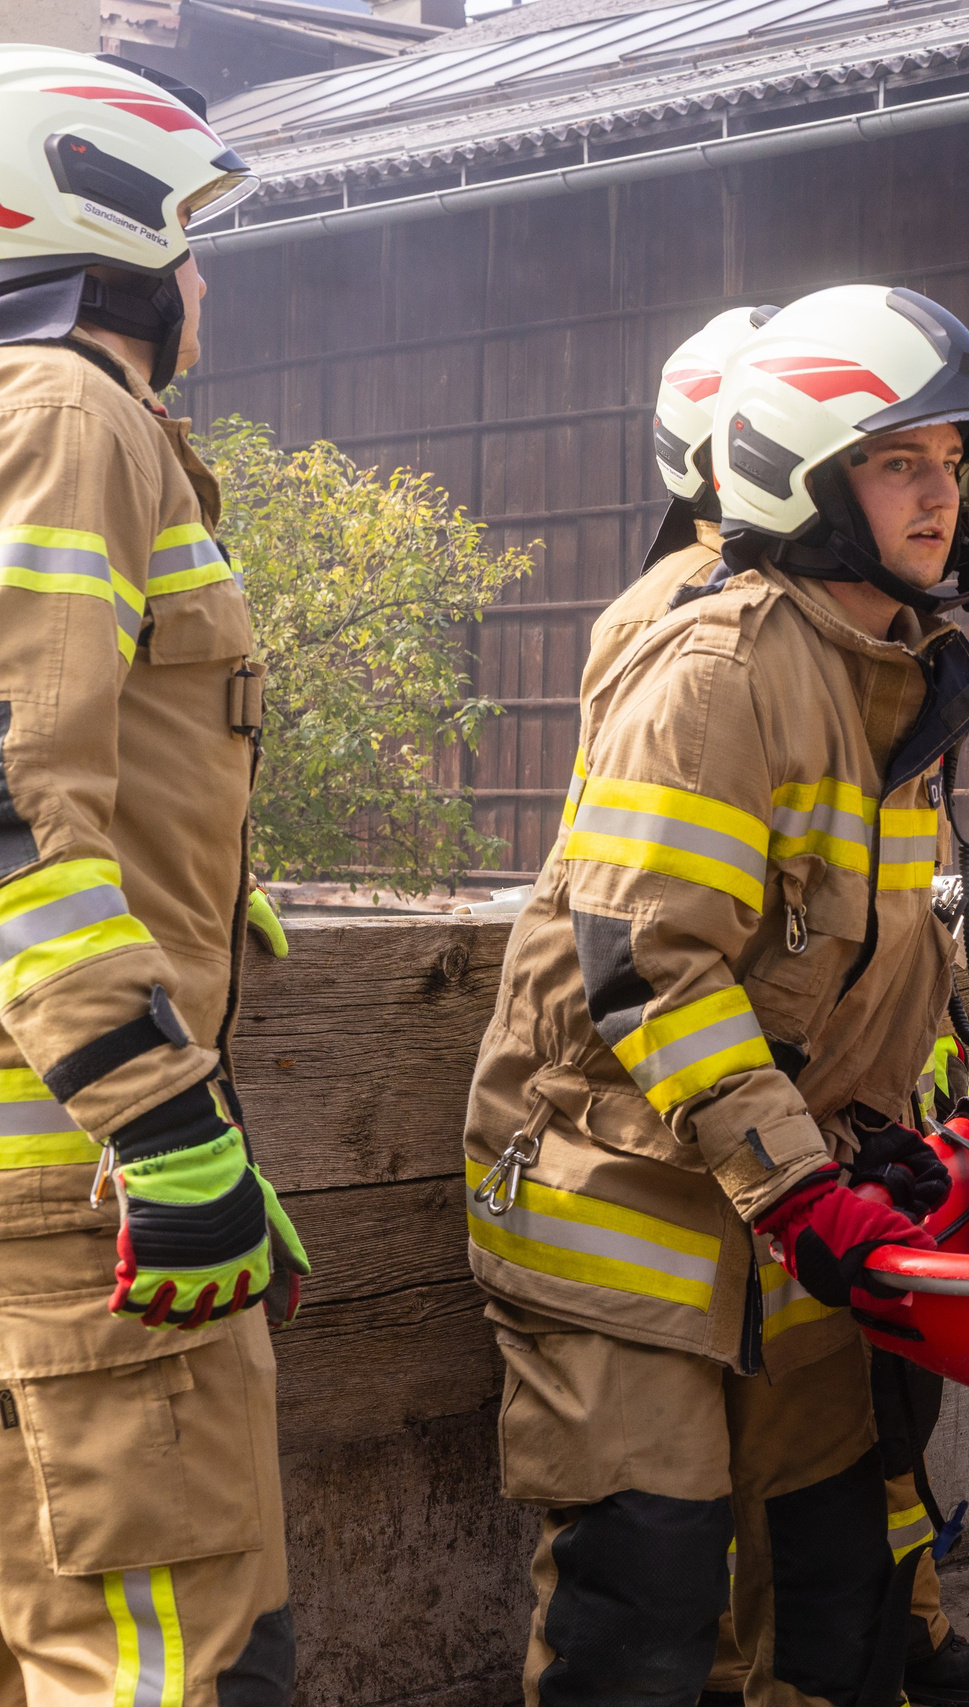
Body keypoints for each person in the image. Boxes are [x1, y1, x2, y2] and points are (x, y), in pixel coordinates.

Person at [460, 284, 969, 1707]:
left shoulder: (891, 677)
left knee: (837, 1603)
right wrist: (803, 1190)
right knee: (644, 1613)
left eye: (952, 463)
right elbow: (647, 961)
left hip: (791, 1205)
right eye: (899, 462)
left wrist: (910, 1143)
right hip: (629, 1201)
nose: (941, 496)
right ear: (802, 473)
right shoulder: (719, 668)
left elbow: (856, 965)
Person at [0, 48, 306, 1707]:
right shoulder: (65, 414)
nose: (205, 282)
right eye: (191, 238)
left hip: (54, 1162)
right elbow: (12, 796)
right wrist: (160, 1109)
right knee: (150, 1662)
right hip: (79, 1180)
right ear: (99, 225)